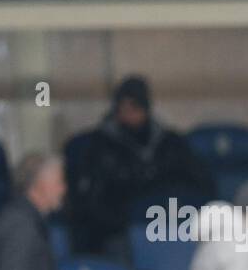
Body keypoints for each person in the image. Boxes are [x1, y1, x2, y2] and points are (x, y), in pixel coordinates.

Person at [68, 75, 213, 258]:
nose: (128, 115)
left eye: (135, 108)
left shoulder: (169, 143)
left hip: (168, 229)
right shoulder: (100, 146)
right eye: (123, 108)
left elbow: (202, 183)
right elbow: (92, 203)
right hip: (120, 233)